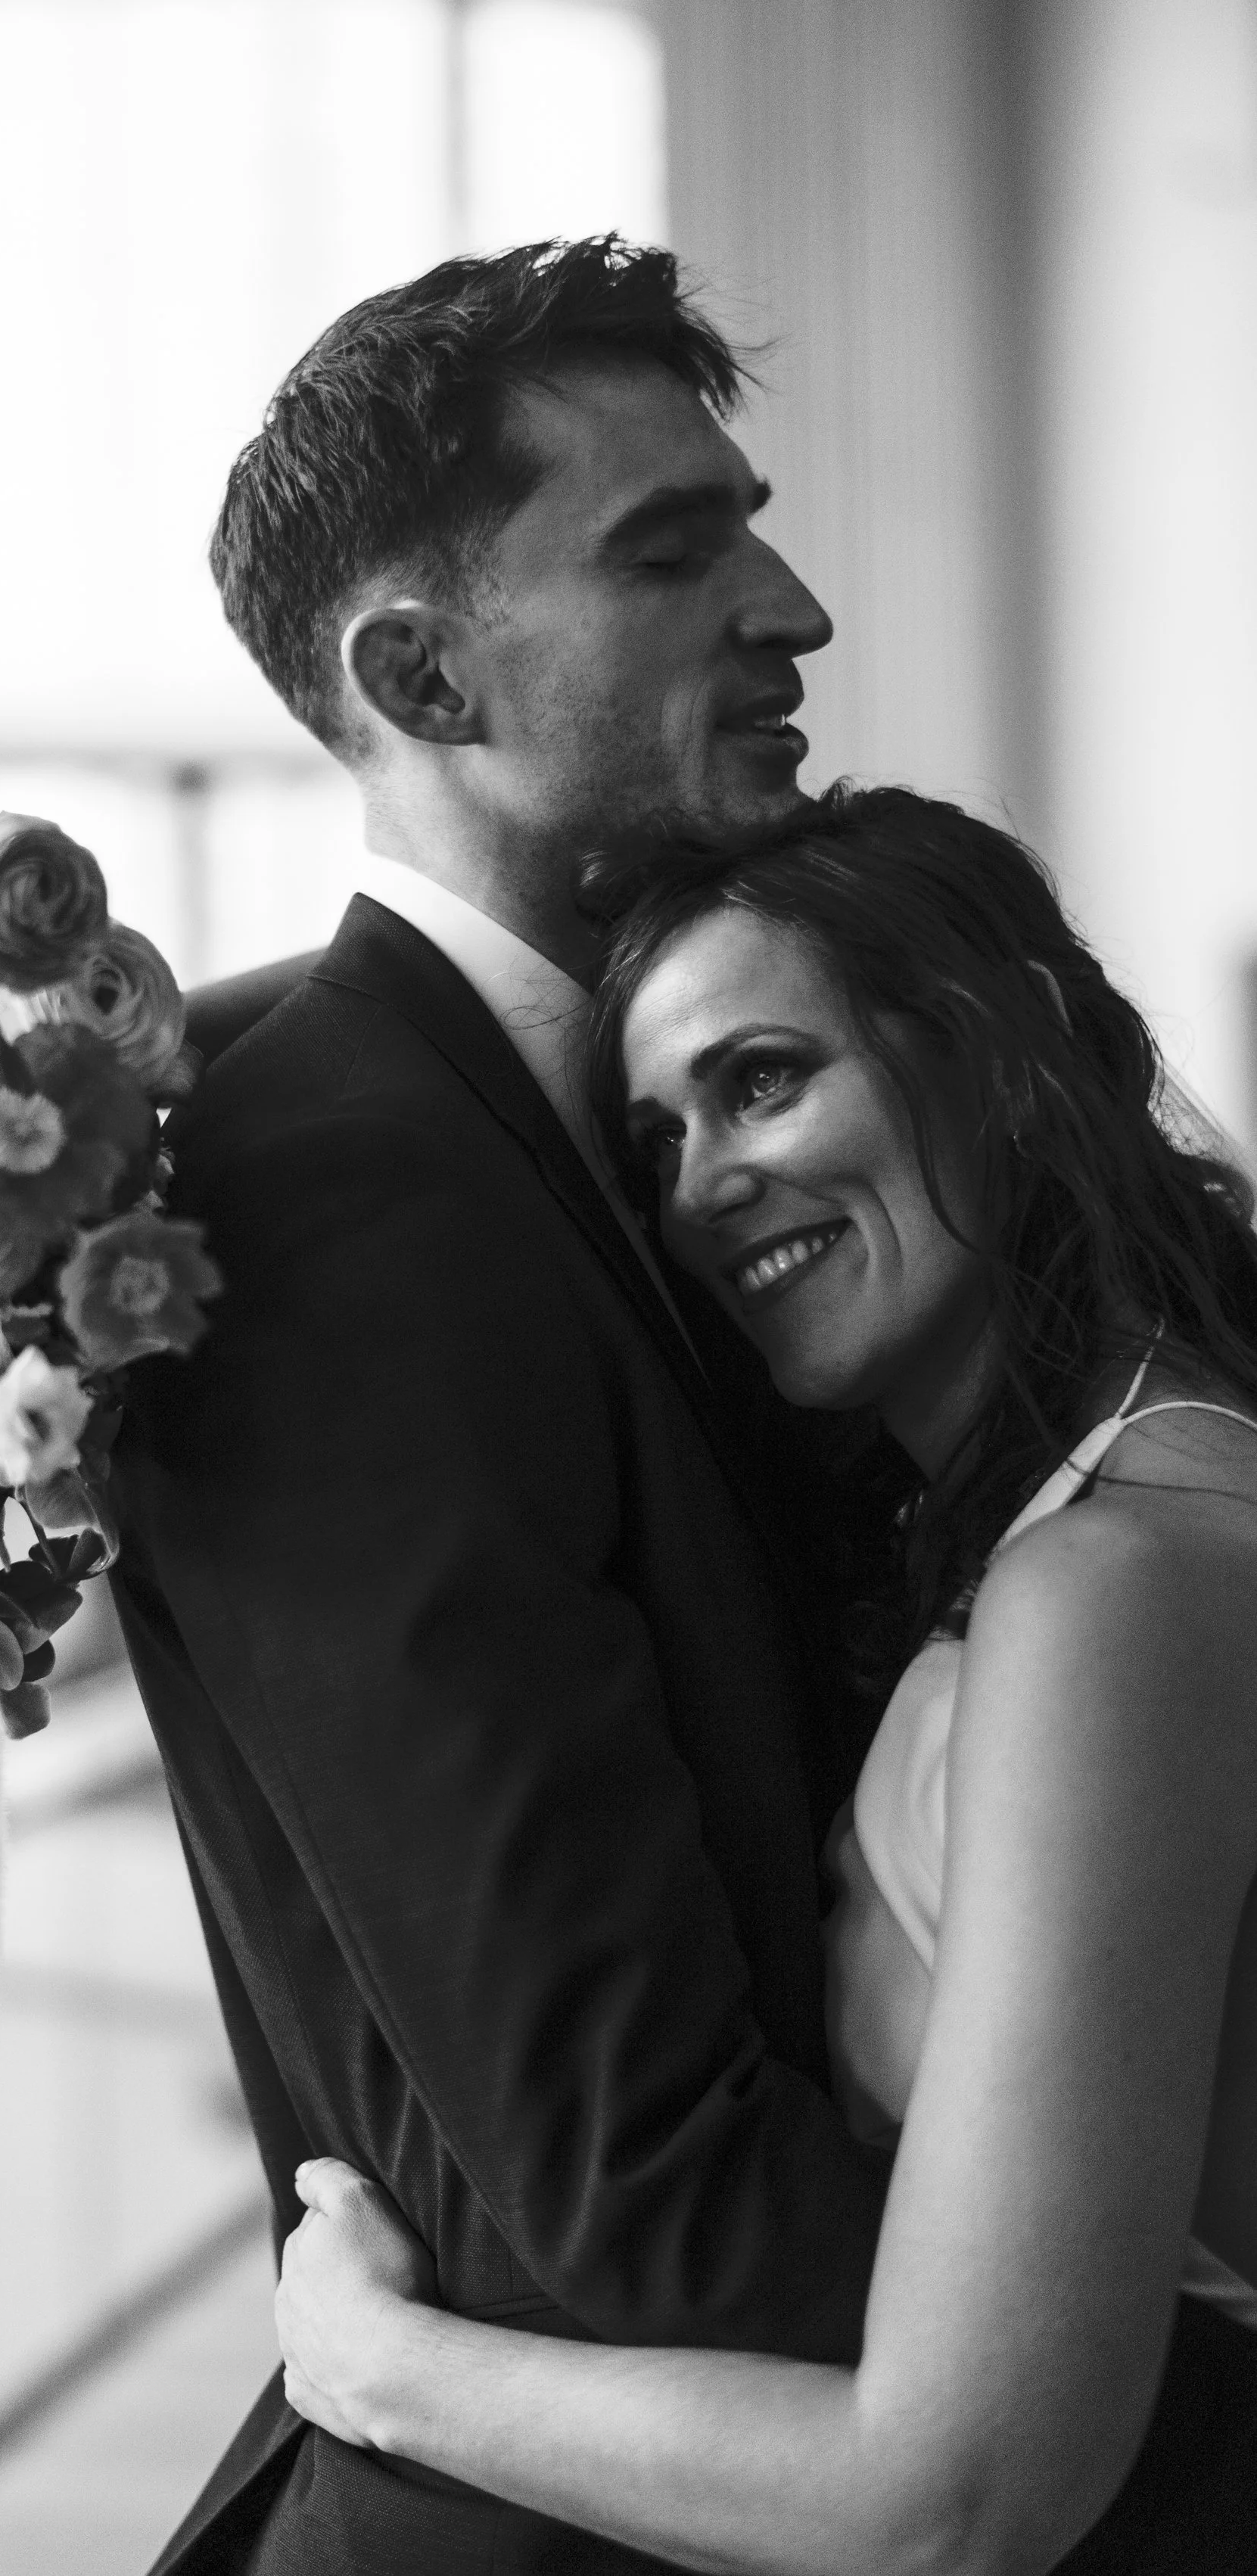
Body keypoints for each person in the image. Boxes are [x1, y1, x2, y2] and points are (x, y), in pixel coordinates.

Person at [112, 235, 892, 2576]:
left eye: (746, 518)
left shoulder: (610, 1127)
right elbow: (624, 2201)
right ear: (415, 669)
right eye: (671, 548)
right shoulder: (335, 1195)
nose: (791, 608)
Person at [275, 785, 1257, 2573]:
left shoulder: (1110, 1587)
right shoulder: (1130, 1494)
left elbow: (946, 2503)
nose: (704, 1188)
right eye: (651, 1144)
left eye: (761, 1077)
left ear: (1007, 1052)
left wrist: (383, 2369)